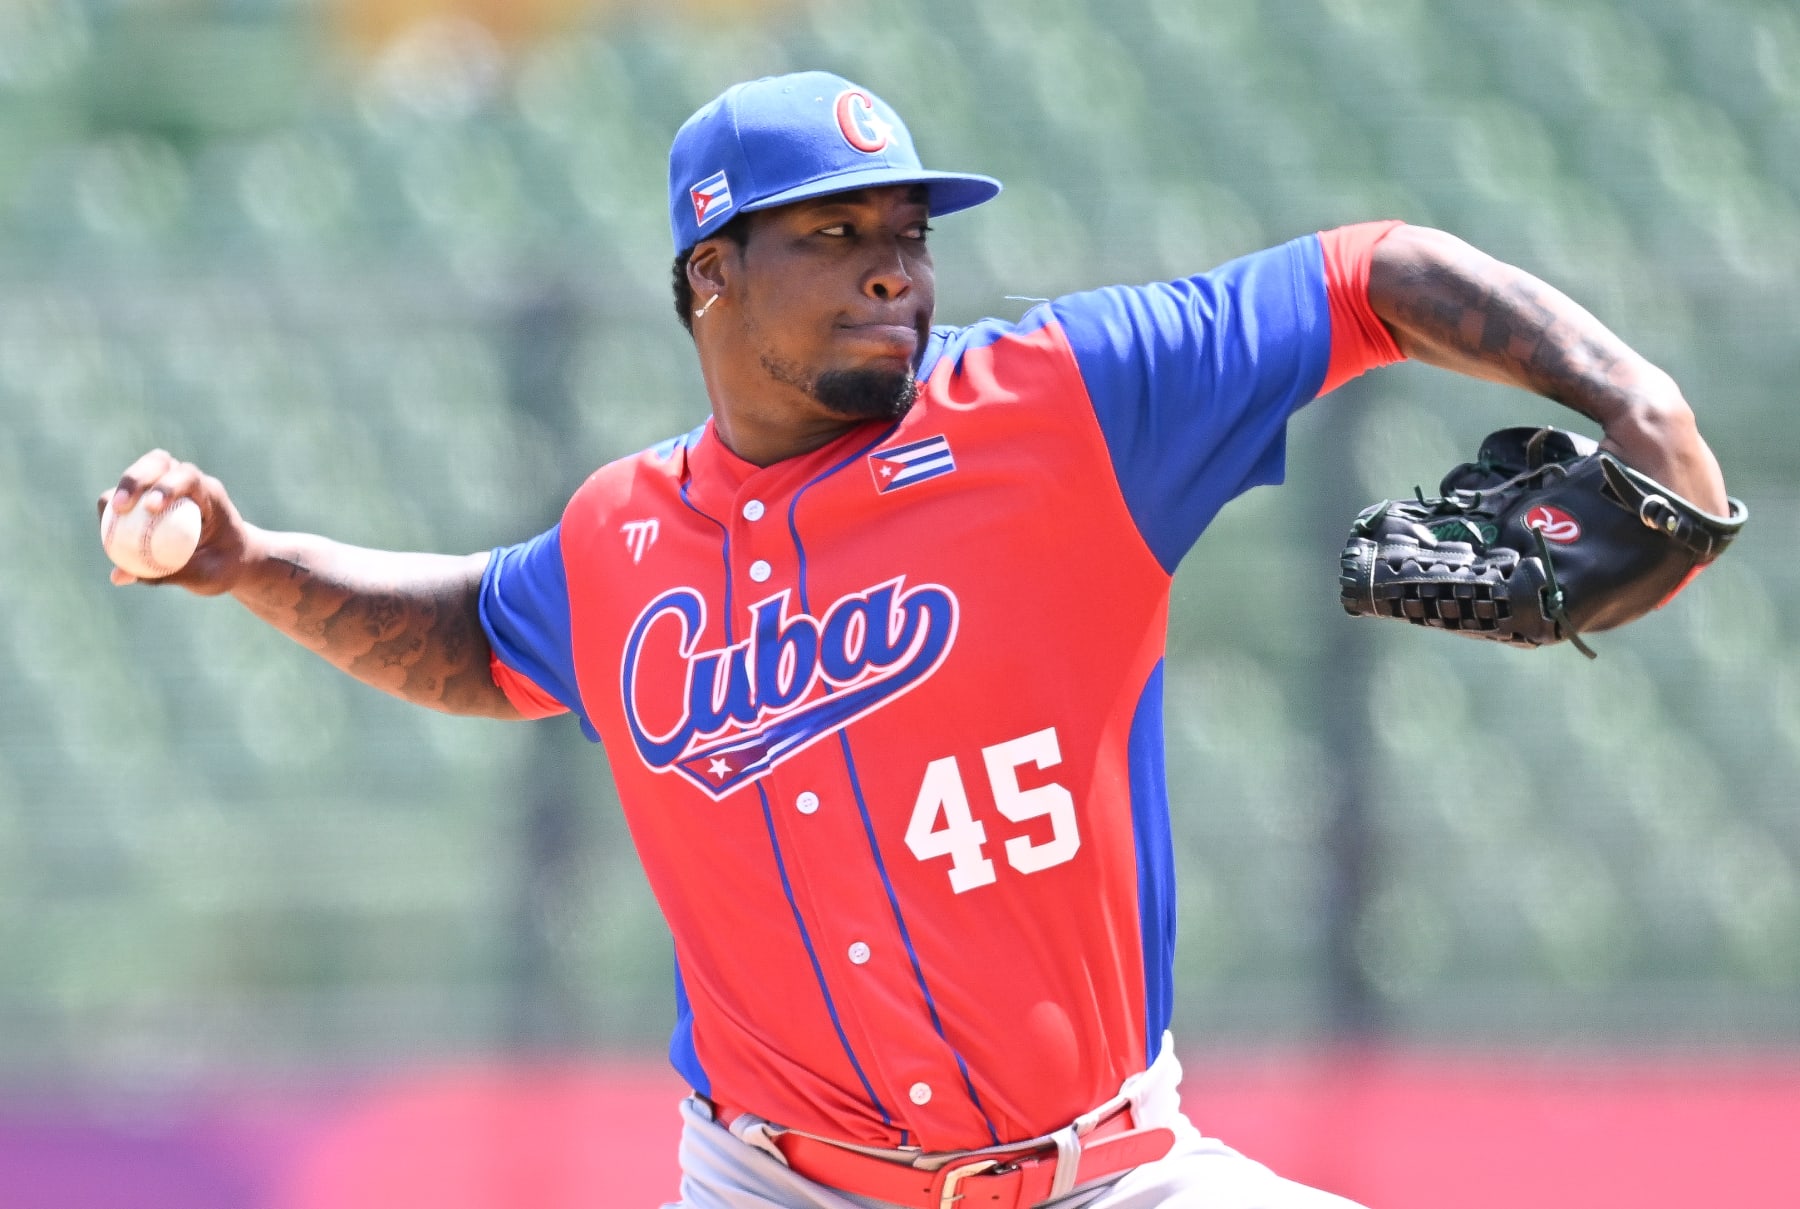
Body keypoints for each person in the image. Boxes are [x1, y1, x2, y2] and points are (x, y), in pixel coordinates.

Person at [103, 71, 1728, 1209]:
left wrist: (1635, 403)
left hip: (1112, 1170)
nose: (897, 261)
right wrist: (247, 561)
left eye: (911, 228)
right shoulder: (619, 540)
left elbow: (1375, 273)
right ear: (708, 275)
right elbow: (472, 635)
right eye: (836, 230)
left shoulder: (1062, 402)